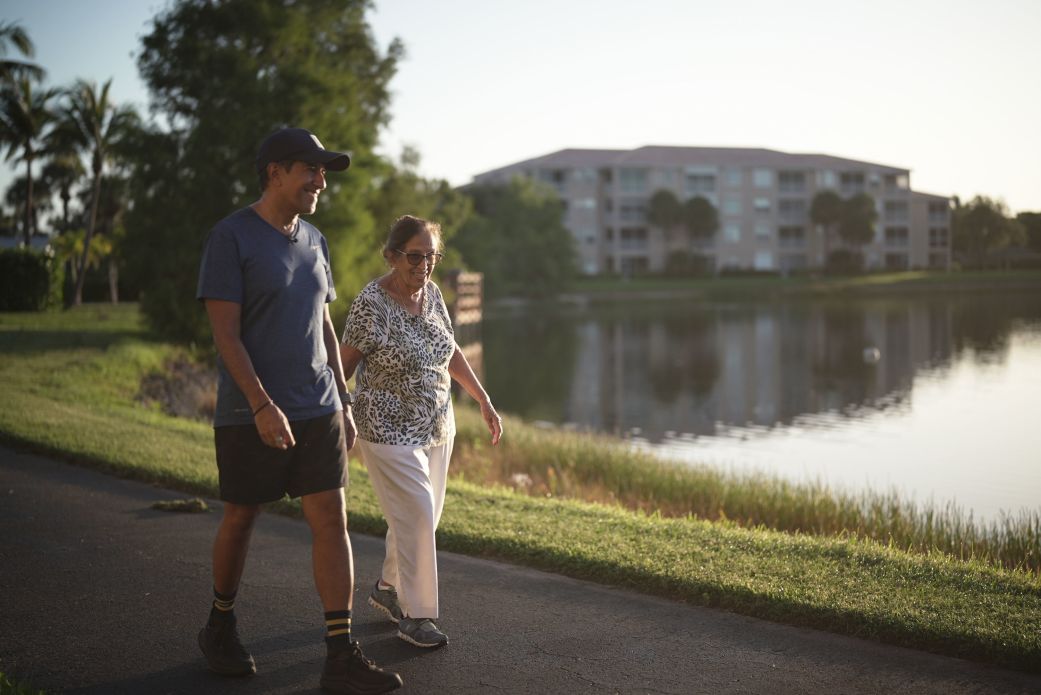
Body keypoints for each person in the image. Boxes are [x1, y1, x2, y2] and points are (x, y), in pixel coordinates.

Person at [195, 127, 402, 695]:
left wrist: (344, 398)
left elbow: (325, 327)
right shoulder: (231, 237)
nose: (320, 180)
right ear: (274, 173)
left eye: (324, 172)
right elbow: (225, 335)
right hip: (249, 413)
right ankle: (219, 624)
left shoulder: (315, 240)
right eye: (309, 170)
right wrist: (261, 404)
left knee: (331, 520)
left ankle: (340, 657)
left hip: (319, 409)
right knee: (241, 517)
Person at [340, 215, 503, 649]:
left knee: (422, 519)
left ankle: (388, 589)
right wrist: (339, 408)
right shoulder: (371, 303)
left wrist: (483, 399)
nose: (424, 265)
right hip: (385, 426)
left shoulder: (431, 294)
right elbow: (344, 366)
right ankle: (416, 615)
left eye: (431, 256)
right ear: (392, 256)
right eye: (415, 256)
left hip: (436, 424)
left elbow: (448, 351)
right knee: (416, 513)